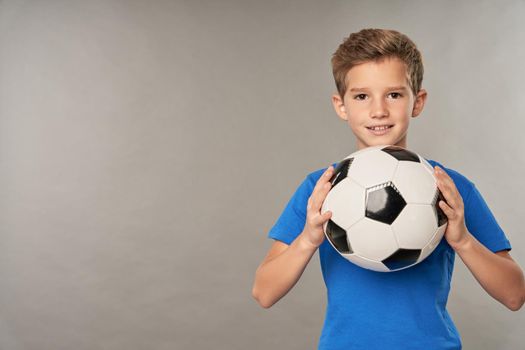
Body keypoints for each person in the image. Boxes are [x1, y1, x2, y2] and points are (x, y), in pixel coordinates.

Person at [251, 28, 525, 349]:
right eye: (361, 96)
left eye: (394, 95)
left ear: (417, 101)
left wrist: (463, 241)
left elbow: (514, 294)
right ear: (341, 106)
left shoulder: (449, 187)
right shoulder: (320, 188)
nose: (378, 110)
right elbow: (264, 292)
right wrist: (308, 240)